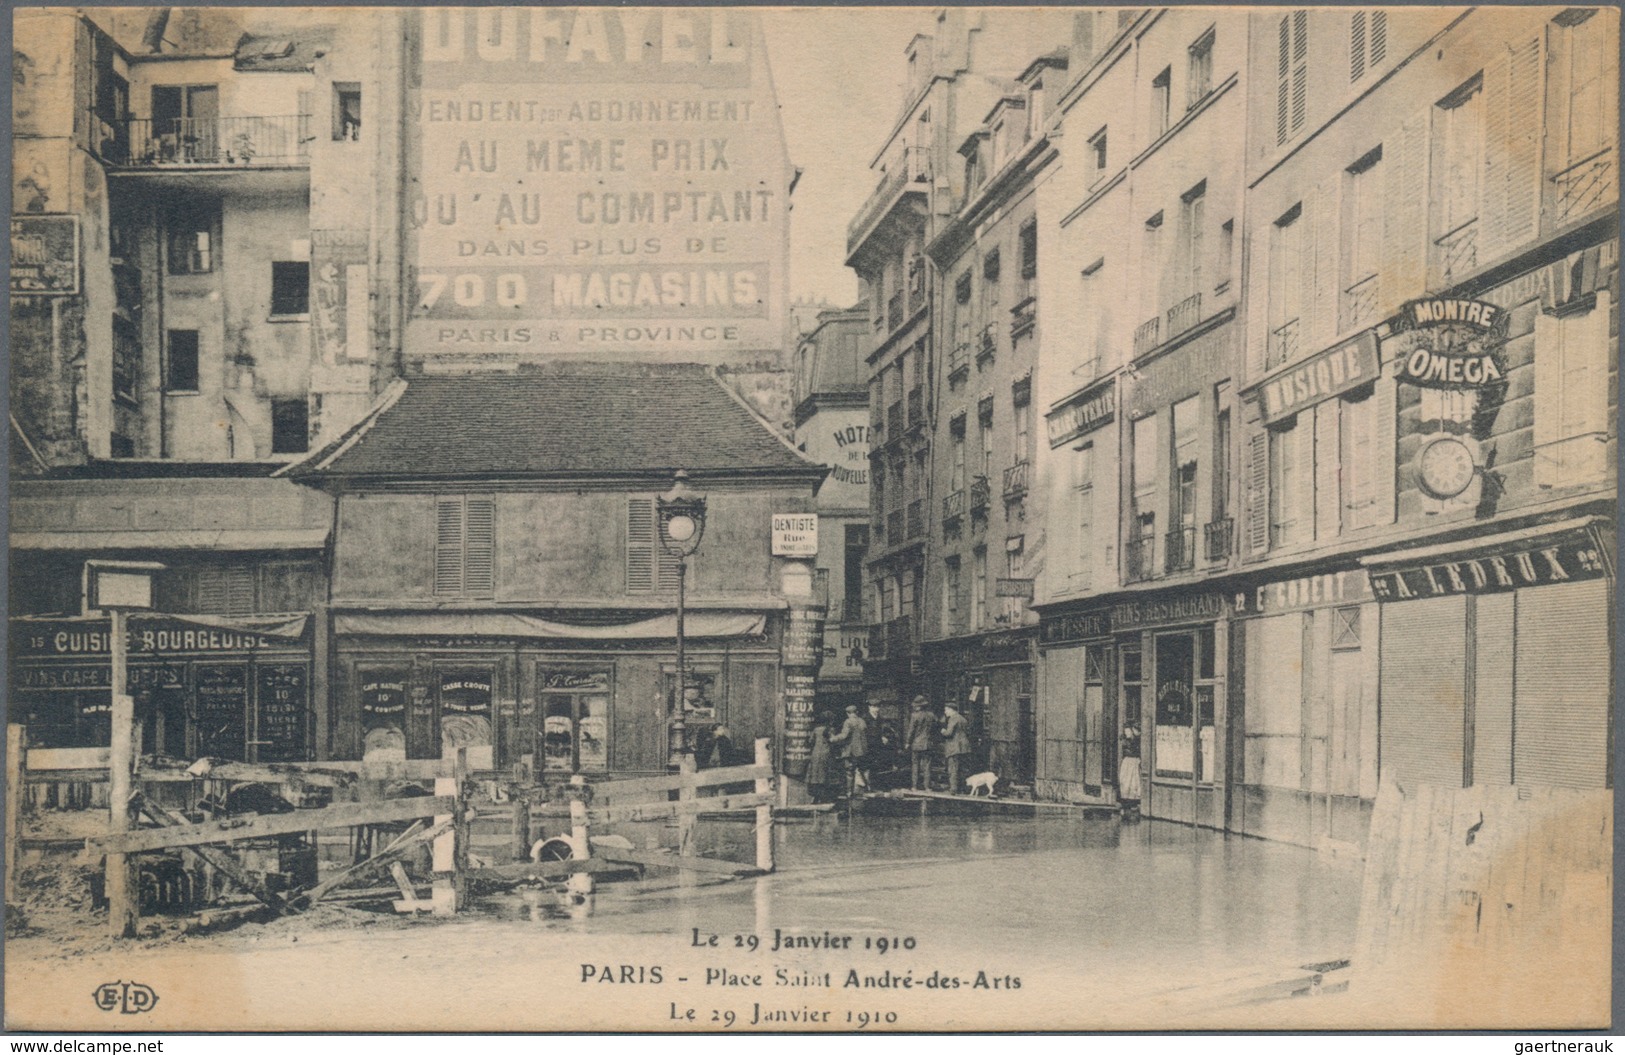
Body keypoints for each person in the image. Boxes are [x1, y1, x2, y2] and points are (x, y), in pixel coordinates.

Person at [827, 703, 869, 798]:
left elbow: (844, 735)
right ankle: (866, 789)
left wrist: (833, 738)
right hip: (862, 750)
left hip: (851, 751)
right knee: (862, 770)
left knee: (849, 772)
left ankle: (849, 792)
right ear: (857, 712)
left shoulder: (848, 722)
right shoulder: (862, 721)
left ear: (847, 713)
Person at [905, 695, 937, 791]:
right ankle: (927, 787)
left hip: (917, 744)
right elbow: (936, 728)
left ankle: (914, 786)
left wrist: (907, 742)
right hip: (928, 743)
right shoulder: (931, 715)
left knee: (915, 765)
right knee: (927, 765)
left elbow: (911, 730)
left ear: (918, 706)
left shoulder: (914, 715)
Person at [940, 703, 971, 795]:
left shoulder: (953, 718)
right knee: (962, 769)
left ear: (951, 710)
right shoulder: (963, 719)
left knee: (953, 768)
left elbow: (949, 733)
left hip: (954, 747)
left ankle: (953, 789)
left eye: (946, 710)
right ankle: (962, 788)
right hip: (964, 747)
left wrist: (943, 731)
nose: (945, 712)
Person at [806, 717, 834, 804]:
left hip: (816, 753)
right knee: (824, 775)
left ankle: (815, 797)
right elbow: (833, 740)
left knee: (815, 775)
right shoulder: (830, 729)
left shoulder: (816, 729)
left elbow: (810, 741)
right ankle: (824, 797)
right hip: (826, 753)